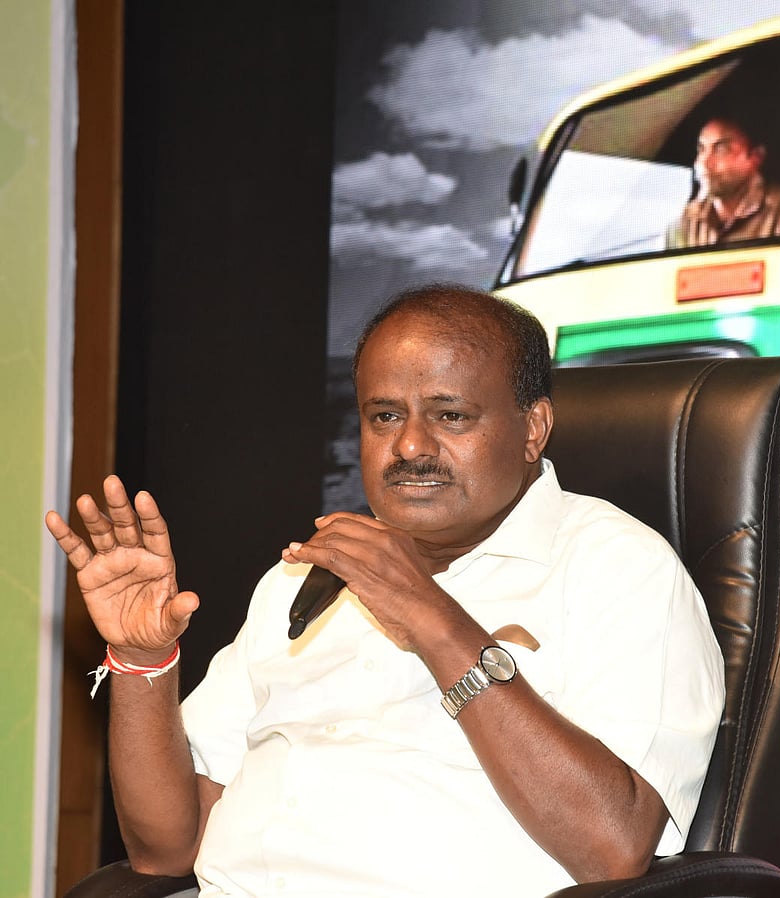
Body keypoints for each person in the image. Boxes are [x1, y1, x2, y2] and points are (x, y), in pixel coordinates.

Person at [46, 284, 725, 897]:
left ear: (532, 428)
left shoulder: (619, 567)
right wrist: (140, 660)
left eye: (451, 415)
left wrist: (430, 617)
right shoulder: (301, 579)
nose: (408, 446)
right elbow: (165, 848)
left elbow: (614, 849)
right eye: (384, 417)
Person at [668, 116, 780, 248]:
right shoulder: (686, 222)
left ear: (755, 157)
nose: (704, 162)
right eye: (701, 149)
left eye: (721, 149)